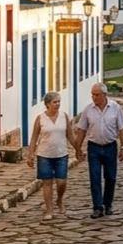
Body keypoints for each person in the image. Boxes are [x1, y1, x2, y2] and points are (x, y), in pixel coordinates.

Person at [74, 83, 123, 219]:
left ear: (104, 95)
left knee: (110, 177)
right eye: (93, 94)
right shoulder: (88, 110)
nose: (94, 97)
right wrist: (78, 148)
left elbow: (122, 128)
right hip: (94, 147)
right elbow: (81, 129)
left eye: (97, 95)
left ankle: (108, 204)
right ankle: (97, 207)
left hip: (110, 146)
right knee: (95, 177)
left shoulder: (115, 108)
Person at [26, 91, 77, 220]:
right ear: (48, 104)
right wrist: (31, 154)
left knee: (61, 182)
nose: (57, 104)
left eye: (59, 101)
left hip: (61, 153)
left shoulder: (64, 117)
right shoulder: (40, 118)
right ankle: (49, 209)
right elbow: (34, 138)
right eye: (55, 102)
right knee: (47, 182)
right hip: (44, 155)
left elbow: (70, 135)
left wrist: (78, 149)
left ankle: (59, 199)